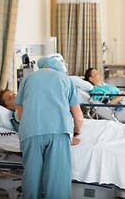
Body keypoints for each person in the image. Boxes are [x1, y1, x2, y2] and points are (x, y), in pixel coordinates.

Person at [15, 56, 84, 199]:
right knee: (57, 180)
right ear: (58, 67)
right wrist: (76, 131)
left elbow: (20, 113)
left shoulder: (27, 79)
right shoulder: (65, 80)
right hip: (59, 132)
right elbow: (78, 117)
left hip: (30, 132)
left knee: (31, 177)